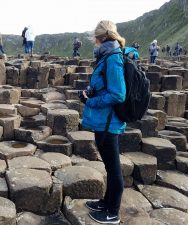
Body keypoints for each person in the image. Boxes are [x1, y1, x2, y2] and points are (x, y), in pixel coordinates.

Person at [81, 20, 126, 224]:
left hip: (109, 123)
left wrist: (92, 101)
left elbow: (118, 94)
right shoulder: (106, 56)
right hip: (103, 121)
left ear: (98, 38)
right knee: (109, 165)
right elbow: (104, 85)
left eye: (94, 39)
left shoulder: (113, 58)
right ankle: (105, 202)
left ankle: (112, 213)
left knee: (114, 168)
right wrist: (90, 93)